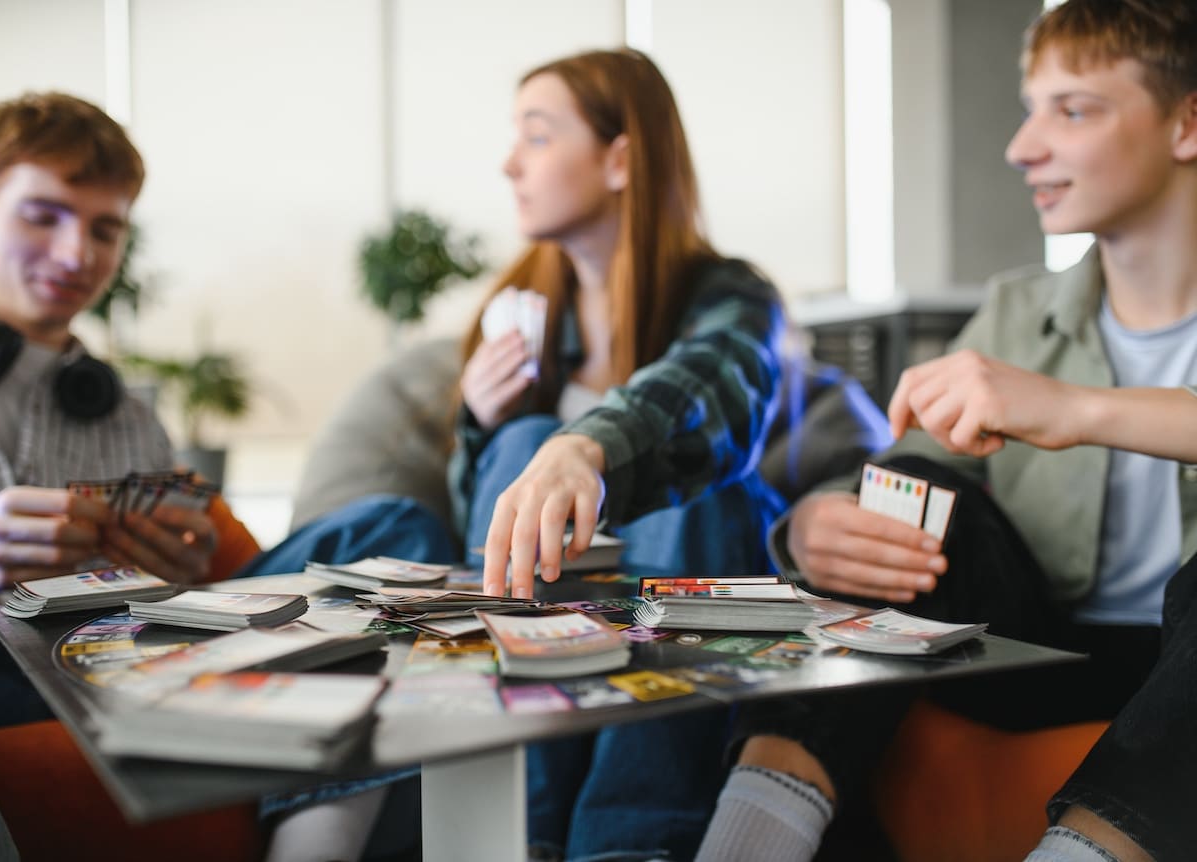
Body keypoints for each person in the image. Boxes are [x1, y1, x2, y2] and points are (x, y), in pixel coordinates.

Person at [249, 47, 792, 862]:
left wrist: (588, 450)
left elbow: (717, 385)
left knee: (704, 482)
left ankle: (631, 844)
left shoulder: (729, 296)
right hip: (545, 640)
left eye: (537, 136)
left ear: (619, 157)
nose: (510, 163)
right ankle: (523, 837)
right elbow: (478, 528)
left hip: (684, 602)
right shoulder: (519, 316)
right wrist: (477, 423)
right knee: (517, 443)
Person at [694, 1, 1197, 860]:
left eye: (1072, 110)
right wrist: (818, 524)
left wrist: (1075, 410)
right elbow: (904, 469)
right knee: (914, 501)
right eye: (1031, 106)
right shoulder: (1015, 309)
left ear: (1187, 123)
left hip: (1178, 673)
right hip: (1044, 651)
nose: (1023, 145)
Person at [0, 91, 219, 732]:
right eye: (43, 216)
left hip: (83, 663)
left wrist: (180, 573)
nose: (78, 256)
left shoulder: (129, 415)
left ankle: (314, 833)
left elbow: (152, 606)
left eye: (106, 229)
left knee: (382, 529)